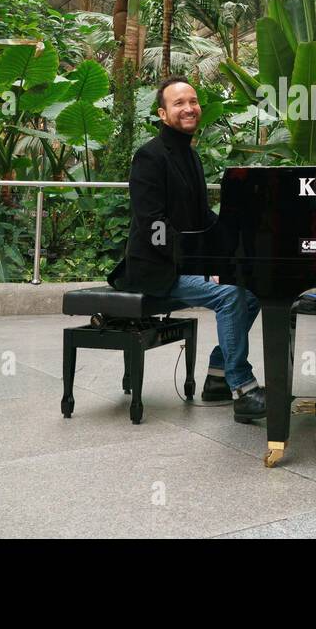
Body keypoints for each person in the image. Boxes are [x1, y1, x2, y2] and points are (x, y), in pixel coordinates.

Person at [109, 76, 266, 422]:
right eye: (178, 103)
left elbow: (204, 219)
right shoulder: (149, 157)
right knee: (230, 296)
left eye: (192, 101)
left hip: (182, 267)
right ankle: (242, 388)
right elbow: (154, 224)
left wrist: (239, 243)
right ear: (163, 114)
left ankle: (218, 375)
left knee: (255, 292)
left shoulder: (190, 156)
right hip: (153, 270)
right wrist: (191, 263)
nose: (189, 108)